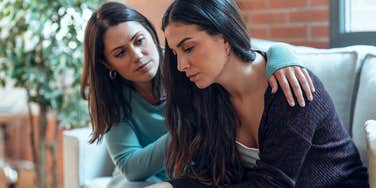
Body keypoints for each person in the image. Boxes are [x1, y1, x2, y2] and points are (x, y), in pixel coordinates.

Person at [81, 1, 316, 187]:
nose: (138, 56)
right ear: (108, 64)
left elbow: (239, 51)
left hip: (198, 170)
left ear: (151, 33)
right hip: (160, 176)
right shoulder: (115, 98)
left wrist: (283, 55)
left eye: (139, 40)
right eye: (121, 53)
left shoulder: (190, 65)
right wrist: (187, 128)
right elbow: (131, 169)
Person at [147, 0, 369, 187]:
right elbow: (214, 177)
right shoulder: (211, 96)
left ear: (224, 37)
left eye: (188, 48)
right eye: (176, 53)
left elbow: (273, 183)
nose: (181, 65)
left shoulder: (290, 88)